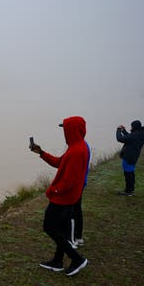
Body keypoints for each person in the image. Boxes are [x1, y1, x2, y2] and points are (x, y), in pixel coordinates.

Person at [30, 116, 89, 276]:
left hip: (64, 198)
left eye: (65, 128)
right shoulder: (76, 147)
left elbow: (69, 182)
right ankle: (57, 261)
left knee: (49, 227)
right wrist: (41, 152)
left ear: (73, 130)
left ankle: (76, 258)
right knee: (60, 230)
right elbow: (59, 163)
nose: (64, 131)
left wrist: (52, 191)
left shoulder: (77, 151)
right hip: (69, 197)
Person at [116, 120, 144, 196]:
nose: (131, 127)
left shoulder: (135, 135)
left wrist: (118, 130)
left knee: (128, 174)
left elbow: (120, 139)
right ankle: (130, 190)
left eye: (131, 126)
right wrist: (124, 131)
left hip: (128, 156)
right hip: (134, 156)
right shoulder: (140, 134)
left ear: (134, 127)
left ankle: (128, 191)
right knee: (130, 173)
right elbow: (129, 138)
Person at [70, 139, 91, 248]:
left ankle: (73, 240)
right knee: (76, 209)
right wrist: (41, 153)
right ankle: (78, 237)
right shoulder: (82, 145)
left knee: (72, 211)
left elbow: (70, 168)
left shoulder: (78, 148)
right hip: (80, 183)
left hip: (76, 184)